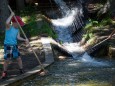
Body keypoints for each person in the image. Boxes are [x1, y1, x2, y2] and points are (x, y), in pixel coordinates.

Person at [1, 11, 28, 79]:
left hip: (14, 46)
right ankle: (4, 72)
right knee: (7, 60)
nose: (19, 25)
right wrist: (11, 15)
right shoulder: (9, 27)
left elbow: (18, 37)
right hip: (8, 46)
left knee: (18, 58)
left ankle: (21, 70)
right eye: (19, 24)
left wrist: (25, 39)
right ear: (14, 23)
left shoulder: (17, 29)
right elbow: (6, 22)